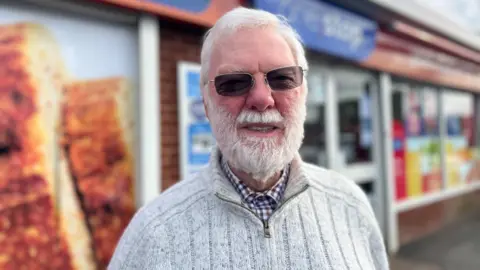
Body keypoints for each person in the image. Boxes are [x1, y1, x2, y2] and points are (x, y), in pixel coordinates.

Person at [108, 7, 389, 270]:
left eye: (282, 78)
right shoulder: (153, 232)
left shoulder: (350, 204)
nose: (262, 99)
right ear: (206, 103)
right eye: (234, 83)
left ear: (303, 94)